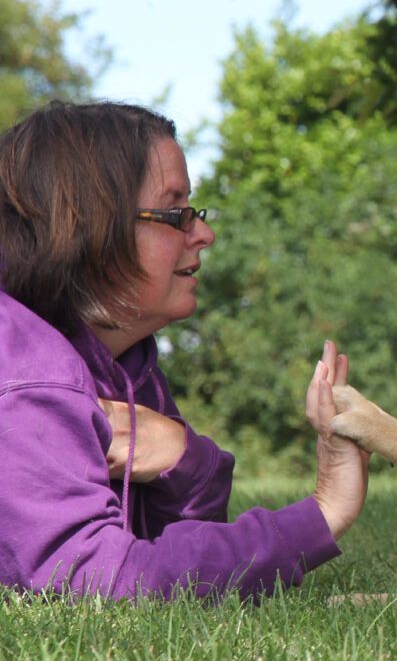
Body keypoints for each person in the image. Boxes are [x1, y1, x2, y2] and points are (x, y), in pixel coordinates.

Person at [0, 100, 368, 600]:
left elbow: (172, 553)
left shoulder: (126, 363)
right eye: (176, 213)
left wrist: (185, 457)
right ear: (88, 225)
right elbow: (95, 582)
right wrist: (322, 514)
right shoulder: (28, 374)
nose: (204, 234)